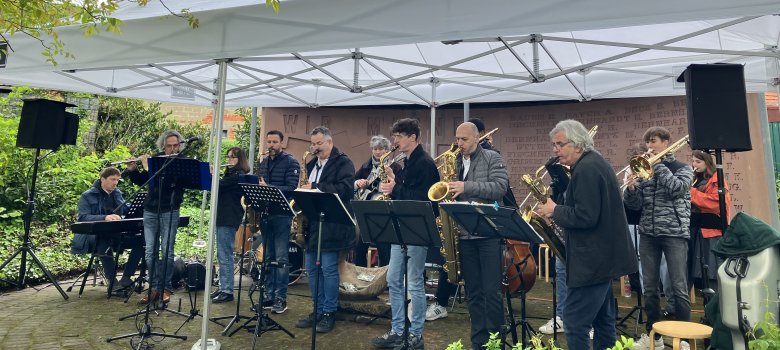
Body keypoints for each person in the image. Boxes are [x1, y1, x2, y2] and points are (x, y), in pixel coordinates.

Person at [536, 119, 637, 350]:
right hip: (602, 259)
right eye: (554, 145)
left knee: (574, 322)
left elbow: (586, 216)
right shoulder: (593, 163)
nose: (555, 150)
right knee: (603, 321)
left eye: (560, 144)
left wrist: (554, 210)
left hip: (593, 261)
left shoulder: (586, 169)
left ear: (578, 144)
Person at [371, 118, 440, 350]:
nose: (395, 141)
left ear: (413, 137)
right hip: (399, 228)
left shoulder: (425, 163)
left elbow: (423, 200)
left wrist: (395, 187)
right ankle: (398, 329)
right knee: (393, 279)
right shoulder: (407, 161)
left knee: (414, 282)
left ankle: (416, 334)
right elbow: (405, 191)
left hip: (417, 230)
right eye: (394, 136)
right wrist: (394, 179)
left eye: (399, 136)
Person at [623, 126, 694, 350]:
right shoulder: (646, 171)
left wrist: (659, 165)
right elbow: (635, 206)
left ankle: (684, 338)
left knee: (678, 287)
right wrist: (631, 189)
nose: (649, 146)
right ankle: (654, 336)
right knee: (650, 287)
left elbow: (676, 189)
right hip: (648, 234)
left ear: (666, 142)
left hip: (674, 233)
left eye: (653, 141)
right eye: (648, 142)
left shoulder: (683, 168)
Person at [449, 122, 509, 349]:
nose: (459, 143)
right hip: (464, 234)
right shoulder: (455, 161)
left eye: (464, 139)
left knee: (492, 292)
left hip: (488, 234)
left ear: (477, 138)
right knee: (472, 292)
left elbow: (500, 188)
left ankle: (495, 342)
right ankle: (478, 341)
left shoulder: (492, 158)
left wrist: (466, 187)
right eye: (457, 139)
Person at [294, 126, 356, 334]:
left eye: (319, 143)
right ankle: (318, 309)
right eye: (313, 144)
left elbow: (346, 189)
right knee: (312, 269)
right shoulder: (311, 163)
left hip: (334, 225)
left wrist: (316, 186)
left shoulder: (343, 162)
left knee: (328, 269)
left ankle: (329, 312)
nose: (315, 147)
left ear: (330, 142)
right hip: (314, 225)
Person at [124, 129, 188, 304]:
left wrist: (148, 168)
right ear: (163, 146)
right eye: (169, 146)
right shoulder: (156, 159)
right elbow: (143, 181)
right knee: (150, 251)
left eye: (175, 146)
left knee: (167, 251)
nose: (172, 149)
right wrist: (133, 170)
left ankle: (165, 288)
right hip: (151, 210)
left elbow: (164, 183)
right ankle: (154, 287)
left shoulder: (182, 162)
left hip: (170, 209)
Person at [72, 167, 144, 291]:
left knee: (141, 241)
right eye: (112, 179)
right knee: (103, 240)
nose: (115, 183)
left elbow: (126, 210)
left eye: (117, 180)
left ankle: (126, 278)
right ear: (102, 179)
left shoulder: (117, 194)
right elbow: (83, 217)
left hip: (116, 233)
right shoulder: (87, 195)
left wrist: (140, 208)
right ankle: (113, 283)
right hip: (92, 236)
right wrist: (104, 217)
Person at [256, 130, 300, 313]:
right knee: (268, 257)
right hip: (266, 214)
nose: (271, 145)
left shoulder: (291, 162)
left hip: (282, 214)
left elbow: (291, 187)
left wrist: (269, 188)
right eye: (269, 142)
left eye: (275, 142)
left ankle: (281, 298)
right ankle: (268, 296)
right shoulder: (264, 163)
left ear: (282, 143)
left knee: (281, 258)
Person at [210, 147, 250, 304]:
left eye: (233, 157)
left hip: (228, 218)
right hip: (223, 217)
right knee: (222, 254)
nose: (229, 160)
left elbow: (218, 185)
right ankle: (223, 286)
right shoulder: (231, 174)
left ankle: (227, 290)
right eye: (228, 157)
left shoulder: (237, 176)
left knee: (225, 255)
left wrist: (212, 174)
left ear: (240, 160)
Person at [688, 150, 730, 293]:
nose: (694, 164)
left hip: (711, 231)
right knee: (694, 268)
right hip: (695, 228)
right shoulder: (695, 179)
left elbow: (716, 203)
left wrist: (691, 193)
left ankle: (715, 300)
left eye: (698, 161)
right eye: (693, 161)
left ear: (707, 163)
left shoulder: (716, 179)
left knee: (711, 270)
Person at [353, 135, 398, 267]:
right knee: (360, 246)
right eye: (375, 149)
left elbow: (400, 187)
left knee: (384, 248)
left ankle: (385, 276)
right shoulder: (365, 166)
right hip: (366, 209)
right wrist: (358, 183)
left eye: (381, 149)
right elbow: (353, 181)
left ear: (387, 150)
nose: (378, 152)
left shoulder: (395, 167)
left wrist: (391, 180)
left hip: (384, 212)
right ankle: (359, 273)